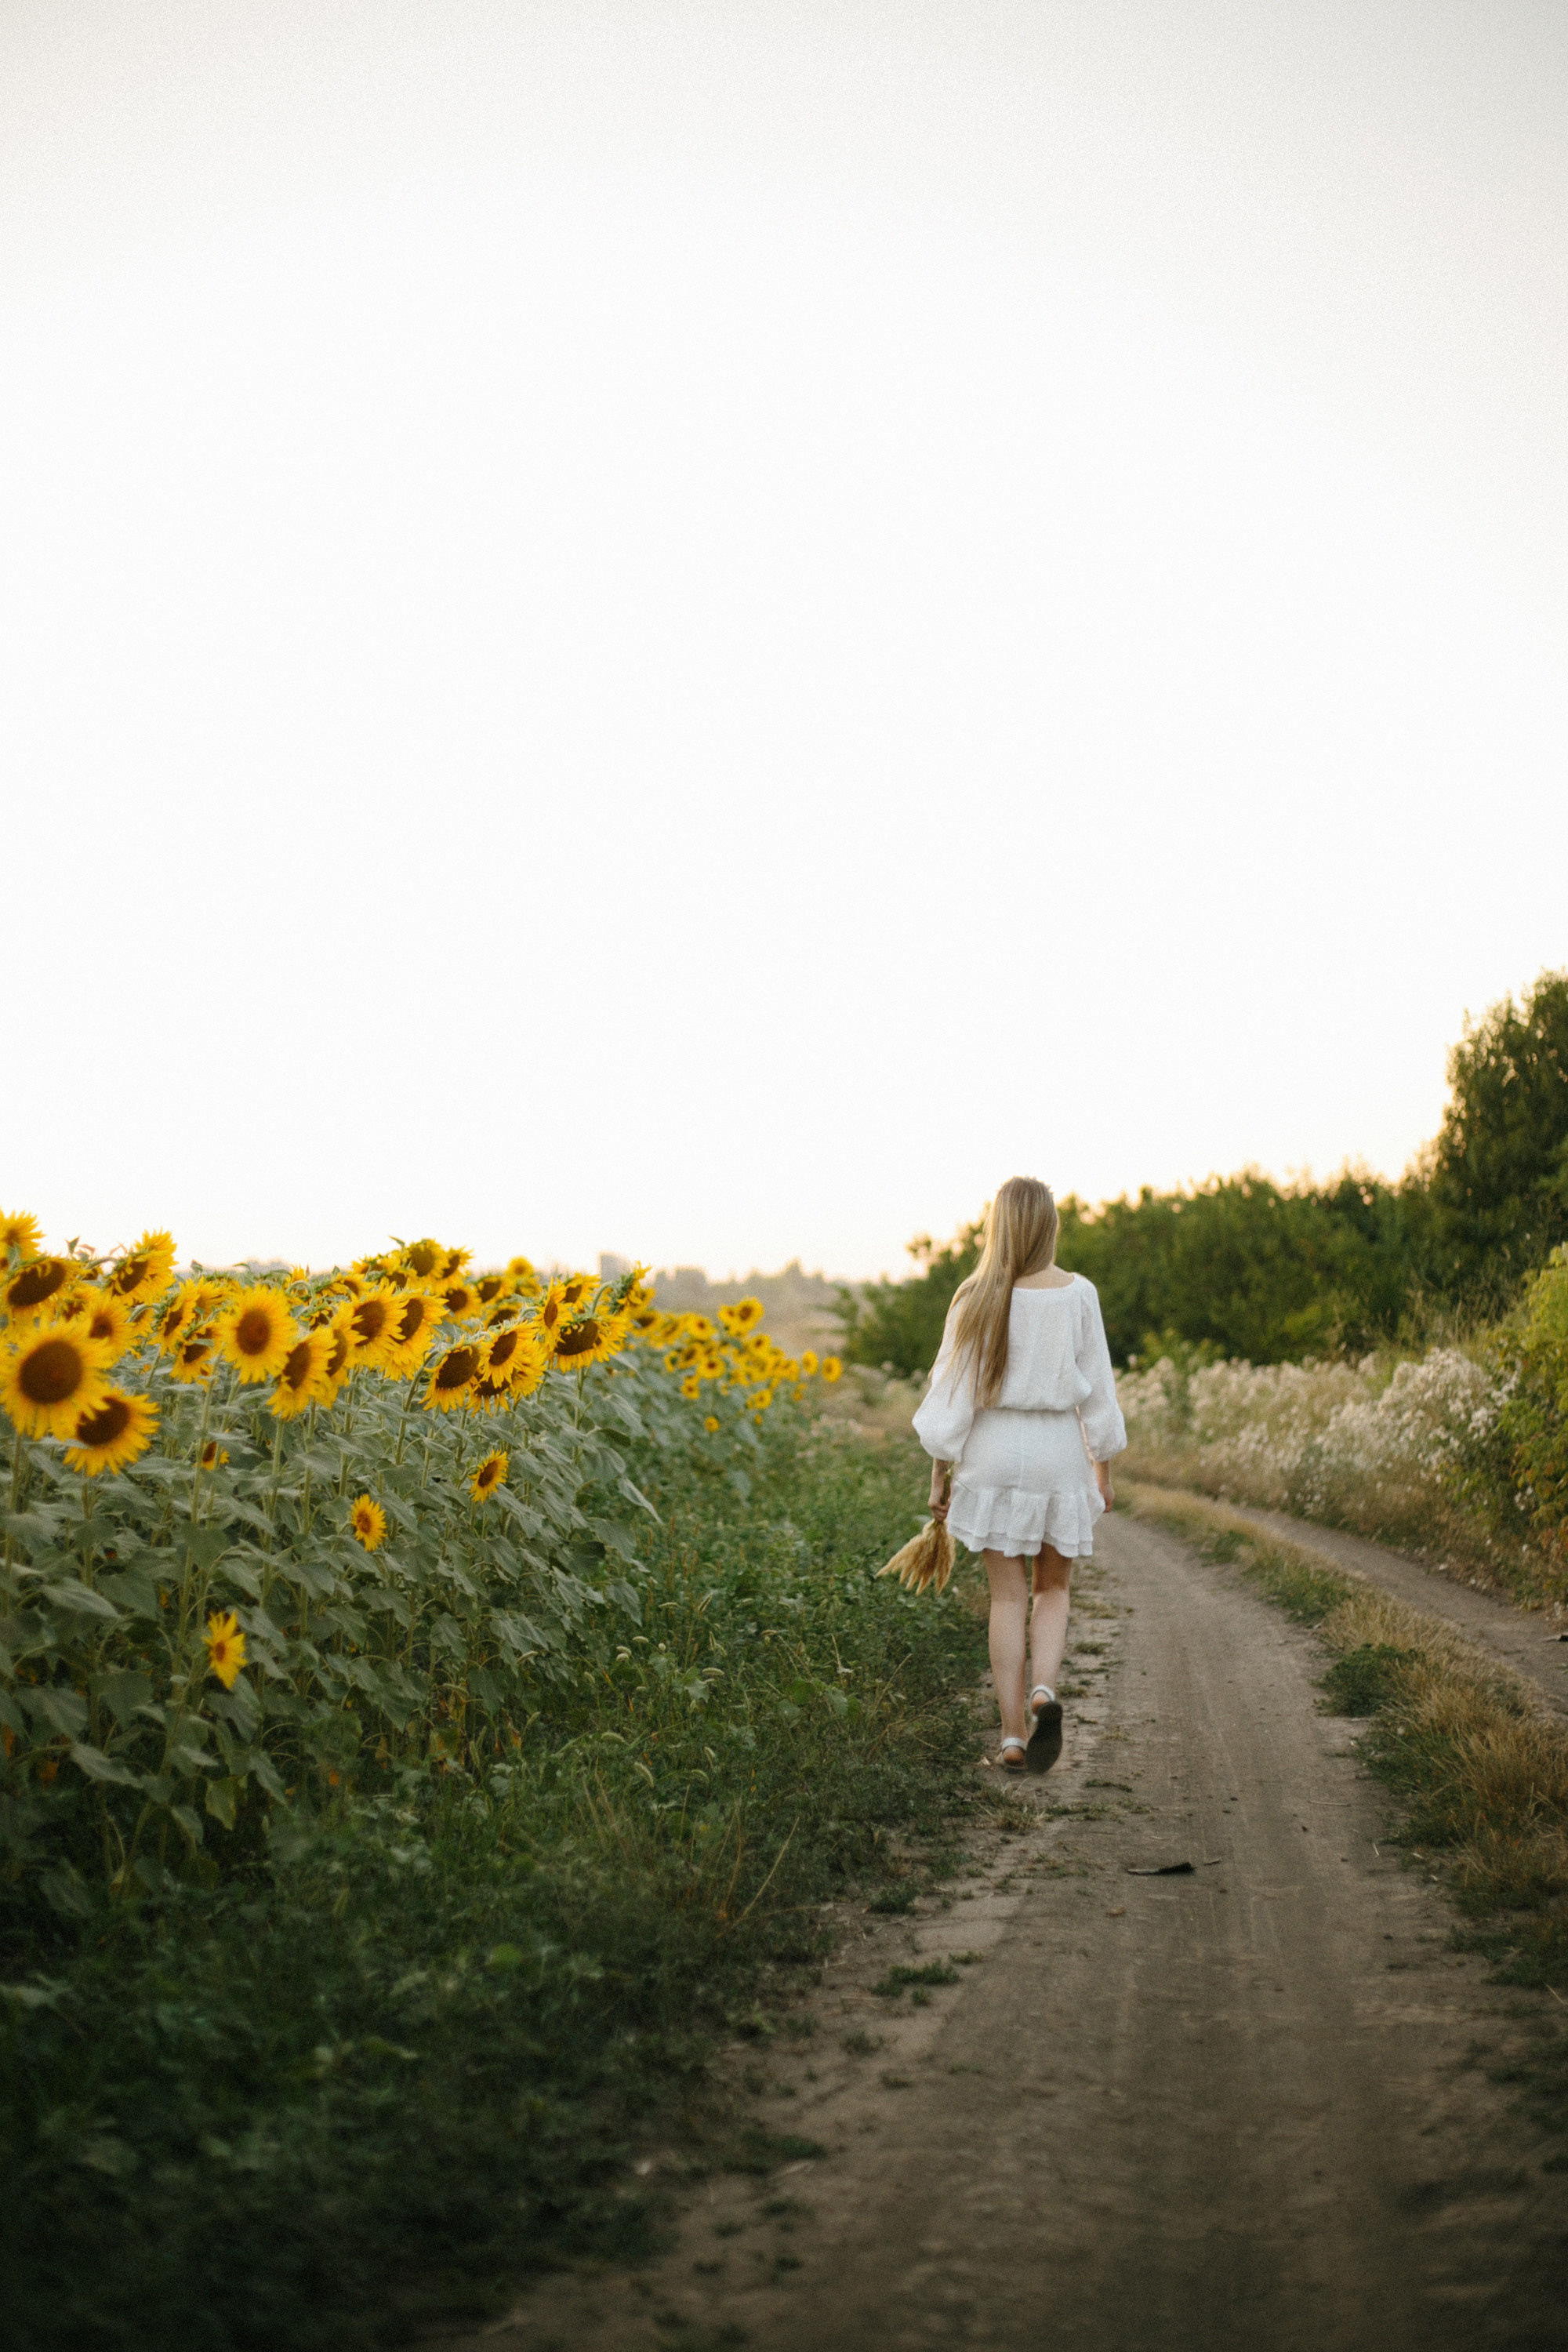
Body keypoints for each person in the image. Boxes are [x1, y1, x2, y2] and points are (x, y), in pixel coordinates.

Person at [913, 1176, 1126, 1773]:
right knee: (1052, 1590)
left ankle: (1010, 1736)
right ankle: (1044, 1691)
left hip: (993, 1450)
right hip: (1059, 1449)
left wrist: (940, 1476)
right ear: (1051, 1226)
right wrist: (1101, 1471)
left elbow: (948, 1394)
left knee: (1006, 1597)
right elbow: (1101, 1392)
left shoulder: (974, 1296)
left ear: (998, 1227)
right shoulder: (1080, 1294)